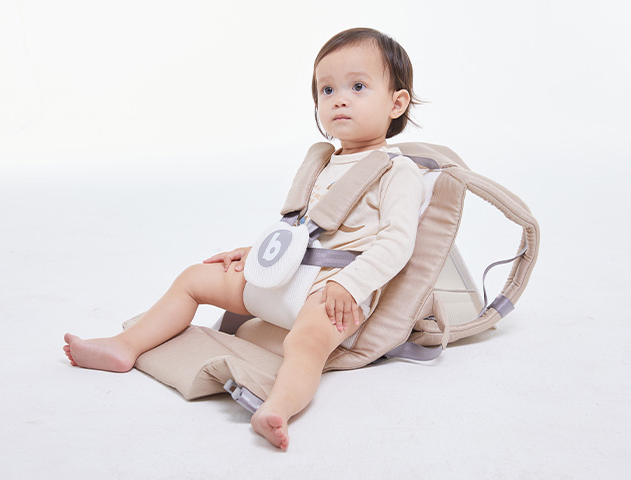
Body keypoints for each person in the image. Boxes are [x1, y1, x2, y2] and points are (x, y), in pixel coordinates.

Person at [63, 27, 425, 451]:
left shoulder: (398, 172)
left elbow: (397, 242)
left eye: (358, 86)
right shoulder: (324, 164)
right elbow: (307, 231)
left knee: (307, 342)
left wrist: (350, 285)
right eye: (327, 90)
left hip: (333, 291)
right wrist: (258, 254)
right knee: (195, 278)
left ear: (396, 103)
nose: (339, 99)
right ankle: (125, 346)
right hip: (288, 272)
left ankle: (278, 407)